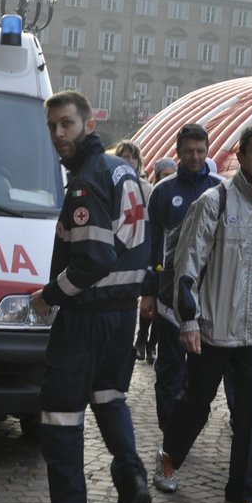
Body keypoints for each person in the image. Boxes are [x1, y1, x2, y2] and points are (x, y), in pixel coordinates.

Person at [27, 92, 151, 503]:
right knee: (110, 397)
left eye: (67, 125)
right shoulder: (125, 171)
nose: (59, 134)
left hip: (87, 317)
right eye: (53, 126)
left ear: (89, 125)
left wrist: (49, 296)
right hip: (122, 316)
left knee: (60, 412)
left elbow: (93, 259)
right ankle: (133, 480)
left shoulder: (87, 180)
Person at [154, 125, 252, 503]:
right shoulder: (214, 202)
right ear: (240, 156)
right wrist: (189, 320)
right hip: (214, 326)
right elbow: (186, 267)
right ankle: (169, 456)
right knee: (196, 402)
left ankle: (241, 495)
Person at [142, 123, 221, 478]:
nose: (195, 157)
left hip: (207, 298)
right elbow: (150, 243)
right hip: (168, 295)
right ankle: (169, 432)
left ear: (207, 151)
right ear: (179, 152)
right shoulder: (162, 192)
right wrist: (147, 289)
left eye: (200, 151)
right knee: (169, 368)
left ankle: (183, 431)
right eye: (189, 151)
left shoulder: (220, 191)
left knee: (201, 371)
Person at [110, 140, 156, 364]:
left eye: (132, 157)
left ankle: (140, 340)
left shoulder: (146, 188)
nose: (129, 161)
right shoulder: (109, 183)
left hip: (138, 249)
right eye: (124, 156)